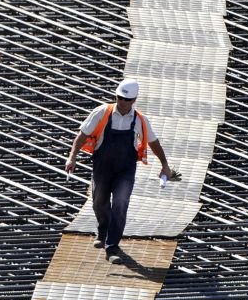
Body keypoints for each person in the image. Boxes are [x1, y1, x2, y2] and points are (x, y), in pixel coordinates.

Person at [65, 78, 172, 264]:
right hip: (102, 166)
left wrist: (165, 165)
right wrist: (72, 157)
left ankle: (112, 246)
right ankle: (103, 230)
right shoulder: (102, 112)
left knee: (121, 203)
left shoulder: (140, 120)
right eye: (119, 98)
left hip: (125, 169)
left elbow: (154, 143)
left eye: (126, 99)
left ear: (134, 100)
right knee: (99, 201)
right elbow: (82, 135)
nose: (122, 102)